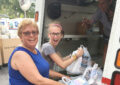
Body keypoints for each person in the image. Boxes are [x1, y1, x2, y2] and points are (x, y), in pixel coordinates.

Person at [8, 19, 65, 85]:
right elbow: (38, 80)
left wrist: (62, 76)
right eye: (27, 33)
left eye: (34, 32)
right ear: (20, 36)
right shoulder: (20, 54)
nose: (31, 35)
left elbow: (45, 71)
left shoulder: (35, 51)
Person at [82, 0, 116, 65]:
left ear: (110, 2)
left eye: (103, 3)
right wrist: (87, 23)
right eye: (99, 4)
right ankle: (105, 70)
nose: (100, 6)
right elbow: (90, 24)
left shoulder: (117, 9)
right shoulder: (100, 11)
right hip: (108, 35)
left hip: (117, 36)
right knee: (106, 52)